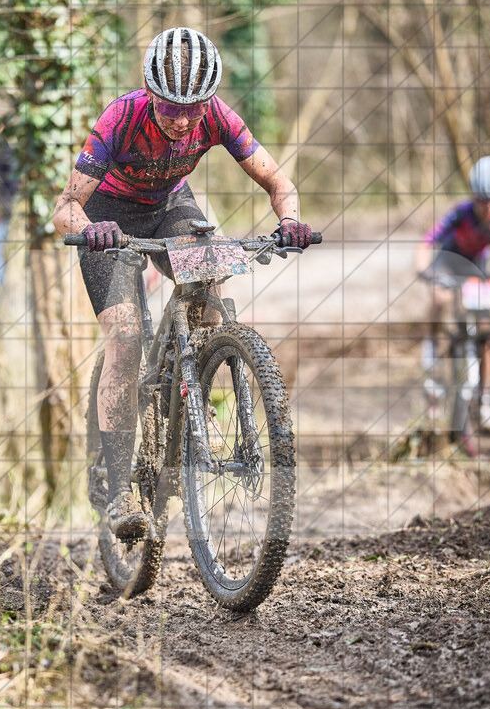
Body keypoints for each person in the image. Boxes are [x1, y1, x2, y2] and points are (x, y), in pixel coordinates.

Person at [52, 27, 314, 538]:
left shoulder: (215, 116)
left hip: (170, 206)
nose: (181, 119)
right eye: (169, 106)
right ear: (150, 93)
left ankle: (190, 391)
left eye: (193, 108)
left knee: (210, 291)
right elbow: (65, 208)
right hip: (108, 217)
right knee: (125, 340)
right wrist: (91, 229)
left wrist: (291, 221)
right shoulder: (120, 119)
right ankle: (119, 484)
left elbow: (280, 183)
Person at [415, 155, 490, 432]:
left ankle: (486, 401)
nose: (488, 207)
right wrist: (423, 269)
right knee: (440, 297)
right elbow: (428, 241)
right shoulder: (461, 214)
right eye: (482, 201)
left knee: (487, 330)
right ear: (474, 197)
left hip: (478, 265)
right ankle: (432, 346)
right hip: (448, 261)